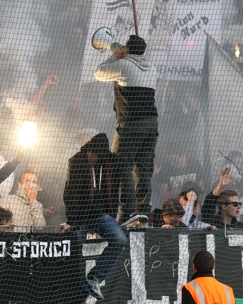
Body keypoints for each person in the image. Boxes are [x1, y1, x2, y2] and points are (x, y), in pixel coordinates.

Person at [94, 34, 159, 225]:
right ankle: (143, 211)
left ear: (128, 49)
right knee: (144, 170)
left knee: (123, 167)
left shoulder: (124, 66)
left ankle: (128, 212)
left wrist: (115, 55)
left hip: (131, 124)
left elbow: (99, 72)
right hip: (151, 124)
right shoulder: (152, 68)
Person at [61, 133, 128, 300]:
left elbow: (124, 176)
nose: (92, 157)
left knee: (120, 240)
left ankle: (94, 278)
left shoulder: (111, 163)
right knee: (72, 250)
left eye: (95, 155)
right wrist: (71, 221)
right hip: (80, 217)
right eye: (90, 153)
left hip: (101, 216)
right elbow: (72, 193)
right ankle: (68, 285)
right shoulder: (77, 161)